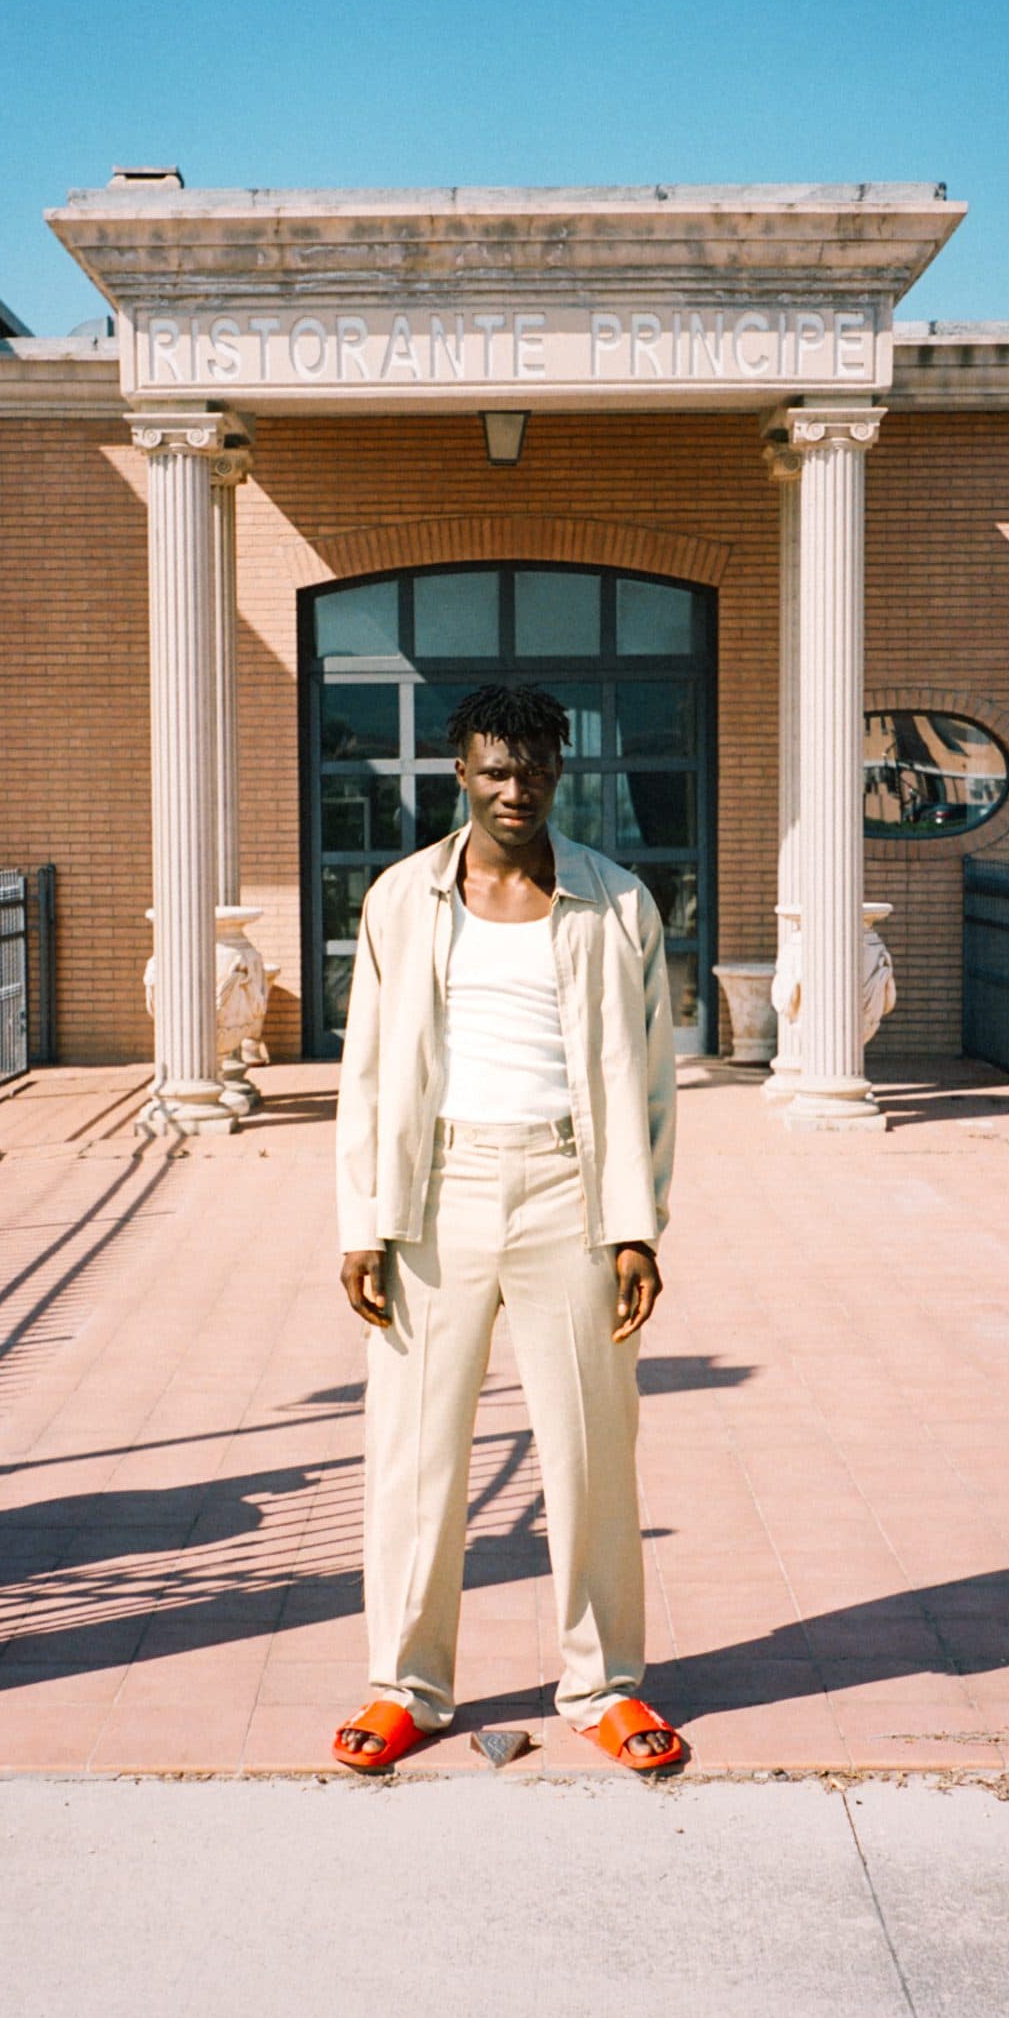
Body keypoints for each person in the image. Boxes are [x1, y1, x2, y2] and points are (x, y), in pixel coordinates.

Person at [331, 679, 685, 1775]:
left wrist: (637, 1227)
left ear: (557, 773)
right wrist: (362, 1222)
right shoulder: (401, 900)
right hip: (434, 1193)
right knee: (414, 1452)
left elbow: (652, 1080)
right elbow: (366, 1070)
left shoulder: (615, 903)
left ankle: (603, 1684)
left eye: (531, 770)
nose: (513, 790)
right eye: (493, 771)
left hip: (570, 1190)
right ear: (462, 775)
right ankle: (405, 1685)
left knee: (590, 1452)